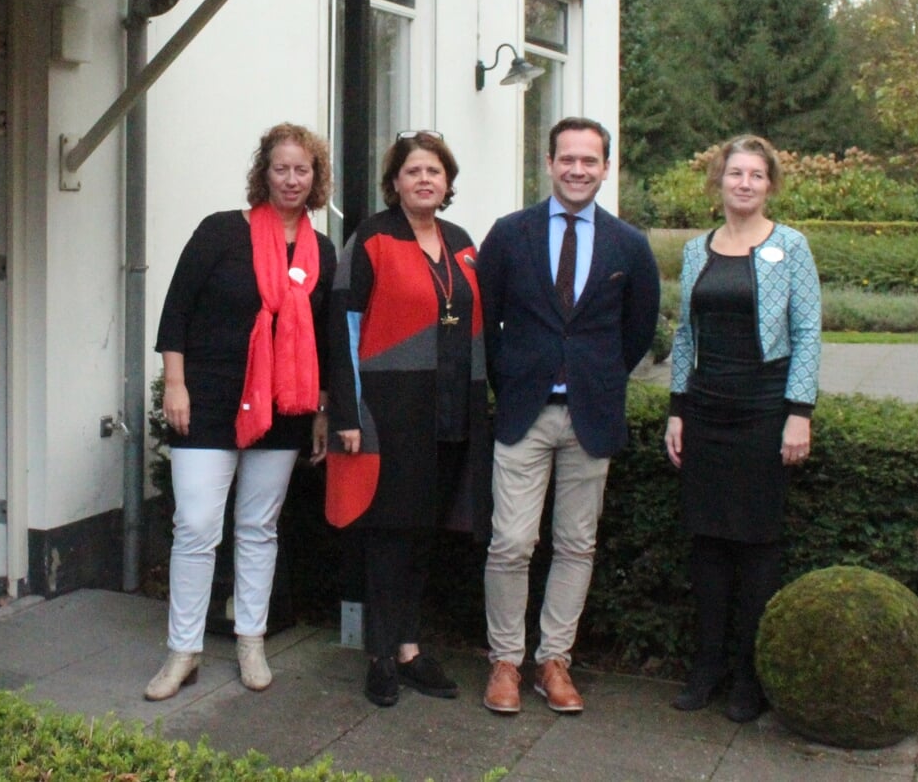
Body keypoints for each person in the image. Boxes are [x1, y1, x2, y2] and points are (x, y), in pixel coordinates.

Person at [476, 117, 660, 715]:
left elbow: (636, 332)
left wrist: (595, 375)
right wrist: (514, 379)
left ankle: (553, 661)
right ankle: (505, 659)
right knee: (510, 542)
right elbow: (489, 320)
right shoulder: (510, 234)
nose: (578, 169)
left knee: (577, 545)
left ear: (607, 168)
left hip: (592, 414)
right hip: (525, 412)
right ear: (549, 163)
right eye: (567, 159)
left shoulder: (628, 246)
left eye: (590, 160)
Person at [147, 124, 338, 701]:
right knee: (197, 527)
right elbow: (176, 311)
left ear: (315, 178)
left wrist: (322, 409)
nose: (291, 179)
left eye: (301, 169)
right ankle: (183, 651)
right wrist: (174, 386)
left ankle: (250, 640)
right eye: (281, 168)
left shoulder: (322, 251)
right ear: (264, 172)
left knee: (258, 529)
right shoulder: (220, 232)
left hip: (283, 408)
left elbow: (326, 340)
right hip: (207, 400)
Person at [327, 131, 491, 709]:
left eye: (435, 172)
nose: (425, 180)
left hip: (450, 413)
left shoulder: (464, 243)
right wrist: (345, 410)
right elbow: (342, 327)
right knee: (388, 535)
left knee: (423, 535)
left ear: (448, 183)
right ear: (394, 182)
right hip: (388, 414)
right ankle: (380, 655)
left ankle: (410, 649)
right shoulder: (372, 238)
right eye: (413, 171)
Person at [663, 134, 821, 723]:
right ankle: (706, 668)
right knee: (707, 542)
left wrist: (798, 412)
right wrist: (677, 407)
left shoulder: (791, 247)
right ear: (720, 182)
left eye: (756, 175)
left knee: (755, 545)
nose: (745, 184)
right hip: (706, 410)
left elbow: (808, 332)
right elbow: (685, 333)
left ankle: (748, 677)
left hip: (763, 410)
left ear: (770, 184)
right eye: (736, 174)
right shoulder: (697, 250)